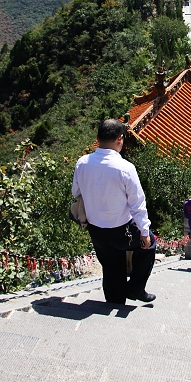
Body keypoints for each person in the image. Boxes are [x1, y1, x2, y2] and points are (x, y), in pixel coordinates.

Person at [72, 119, 156, 305]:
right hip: (122, 229)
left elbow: (76, 193)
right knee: (148, 245)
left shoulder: (82, 163)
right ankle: (135, 288)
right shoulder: (125, 168)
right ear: (120, 139)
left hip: (95, 229)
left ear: (97, 138)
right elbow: (137, 204)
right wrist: (144, 232)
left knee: (111, 266)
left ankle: (115, 301)